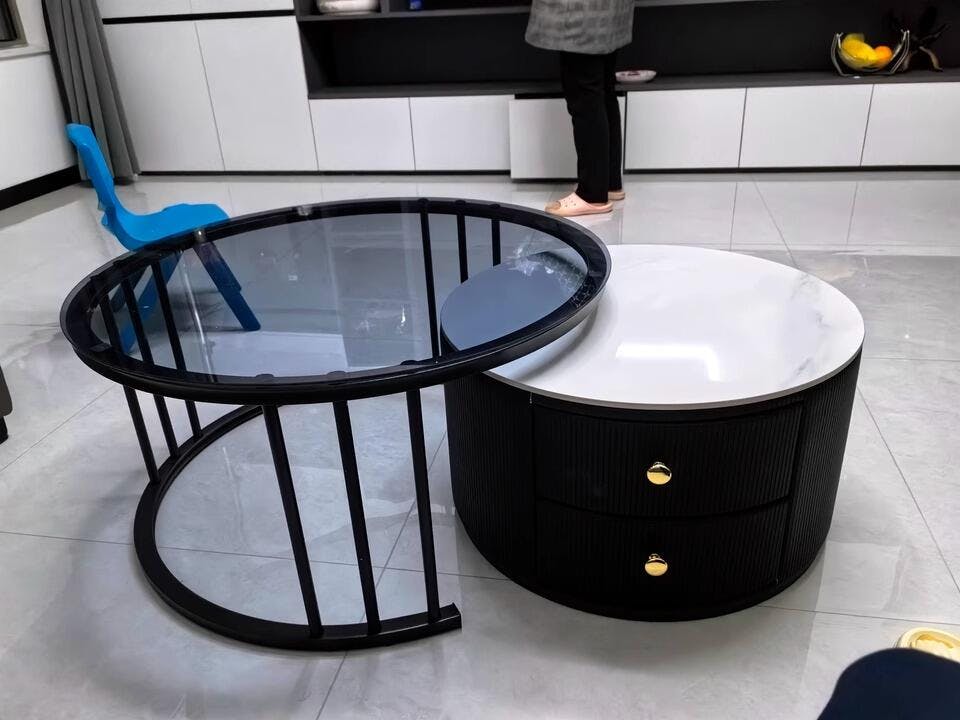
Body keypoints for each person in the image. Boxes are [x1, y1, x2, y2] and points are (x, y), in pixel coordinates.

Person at [526, 0, 635, 218]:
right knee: (603, 88)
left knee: (584, 91)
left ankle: (592, 194)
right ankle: (609, 182)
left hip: (583, 12)